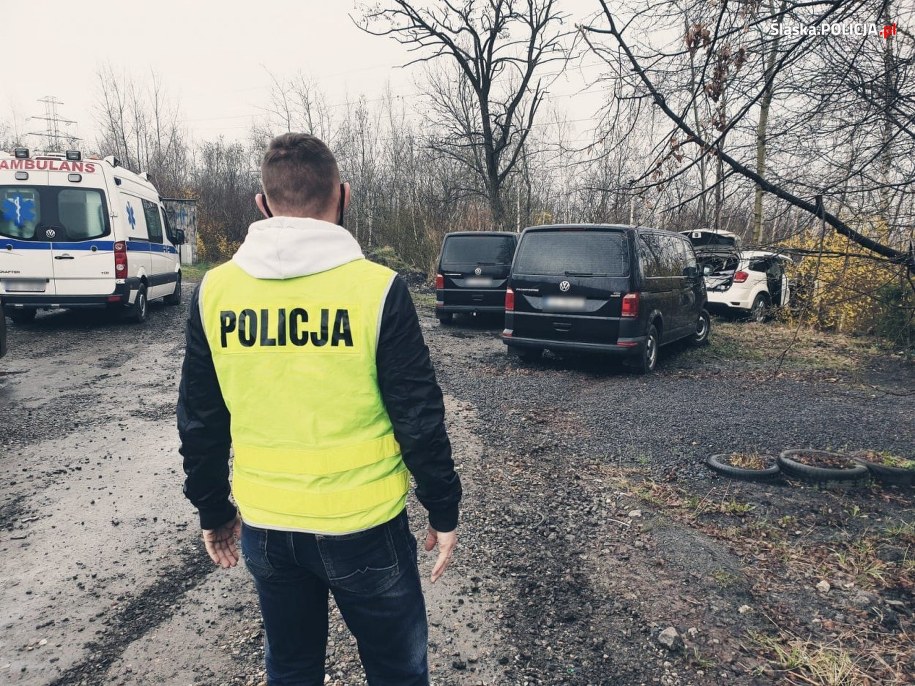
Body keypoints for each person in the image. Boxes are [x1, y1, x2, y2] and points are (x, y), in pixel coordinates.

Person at [177, 132, 462, 686]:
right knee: (398, 672)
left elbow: (200, 420)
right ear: (344, 196)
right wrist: (442, 507)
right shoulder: (377, 290)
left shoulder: (216, 291)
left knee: (292, 667)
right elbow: (418, 415)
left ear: (263, 205)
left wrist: (212, 509)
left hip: (268, 526)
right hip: (365, 526)